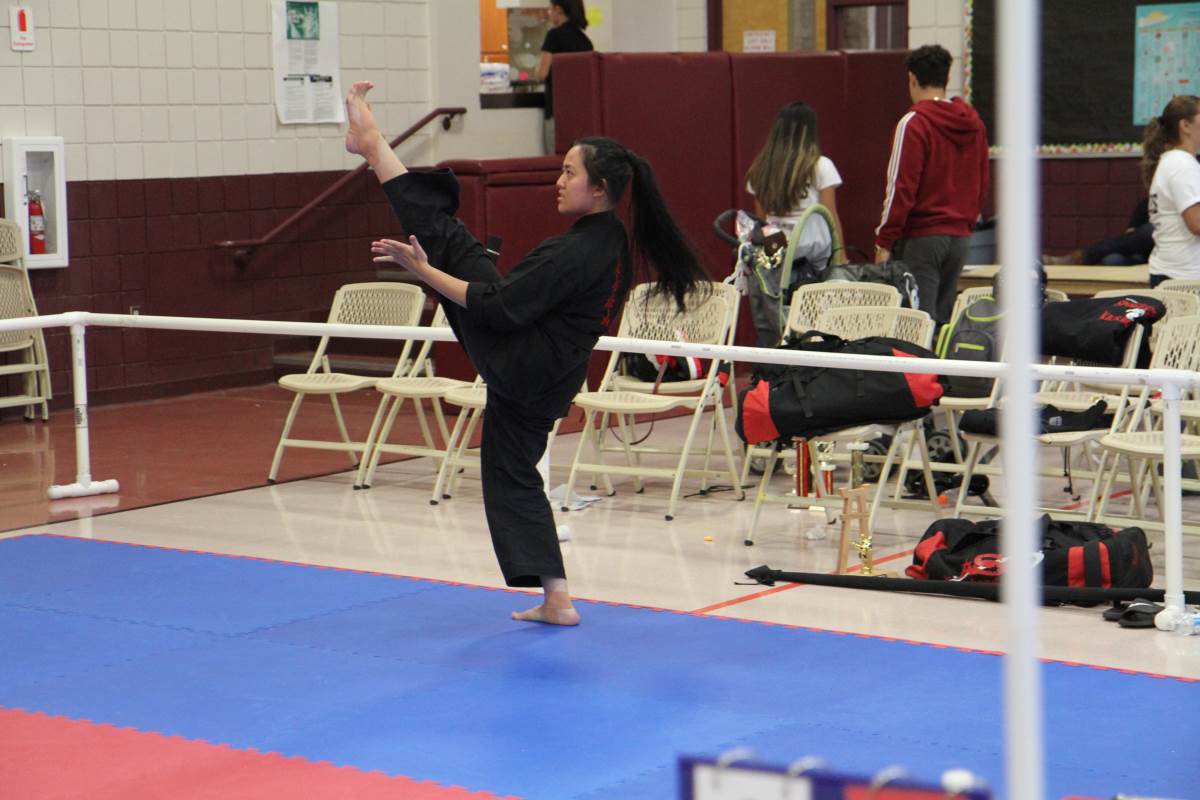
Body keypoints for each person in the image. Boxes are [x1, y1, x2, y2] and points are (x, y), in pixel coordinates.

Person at [343, 81, 706, 626]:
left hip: (521, 363)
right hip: (549, 374)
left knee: (446, 245)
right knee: (513, 473)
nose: (558, 181)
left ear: (599, 189)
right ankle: (558, 598)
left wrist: (423, 274)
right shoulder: (607, 239)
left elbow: (496, 307)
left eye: (569, 173)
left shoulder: (577, 249)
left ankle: (374, 148)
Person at [874, 44, 990, 325]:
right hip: (960, 238)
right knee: (942, 322)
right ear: (947, 78)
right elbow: (983, 180)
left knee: (917, 324)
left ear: (912, 79)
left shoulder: (913, 123)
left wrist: (884, 241)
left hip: (923, 238)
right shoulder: (974, 124)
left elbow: (901, 188)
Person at [744, 101, 845, 347]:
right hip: (814, 261)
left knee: (777, 323)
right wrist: (840, 258)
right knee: (812, 326)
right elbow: (830, 217)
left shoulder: (761, 168)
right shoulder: (820, 166)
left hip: (774, 259)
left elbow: (763, 223)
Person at [1142, 95, 1200, 286]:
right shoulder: (1181, 164)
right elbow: (1197, 224)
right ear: (1185, 125)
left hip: (1174, 273)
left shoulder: (1176, 161)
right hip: (1182, 279)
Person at [537, 0, 593, 155]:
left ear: (558, 9)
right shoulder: (585, 40)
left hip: (557, 109)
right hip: (580, 110)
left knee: (555, 159)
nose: (549, 13)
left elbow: (542, 73)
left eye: (550, 9)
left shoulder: (554, 35)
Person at [1043, 197, 1154, 267]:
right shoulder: (1148, 203)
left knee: (1151, 230)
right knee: (1112, 260)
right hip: (1143, 255)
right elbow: (1129, 238)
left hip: (1161, 259)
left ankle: (1082, 257)